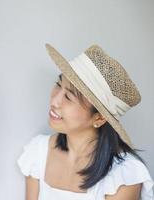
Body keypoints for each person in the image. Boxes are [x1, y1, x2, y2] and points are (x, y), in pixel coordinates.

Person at [18, 44, 153, 200]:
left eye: (68, 97)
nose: (54, 101)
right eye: (58, 84)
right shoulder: (38, 151)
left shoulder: (124, 174)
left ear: (99, 118)